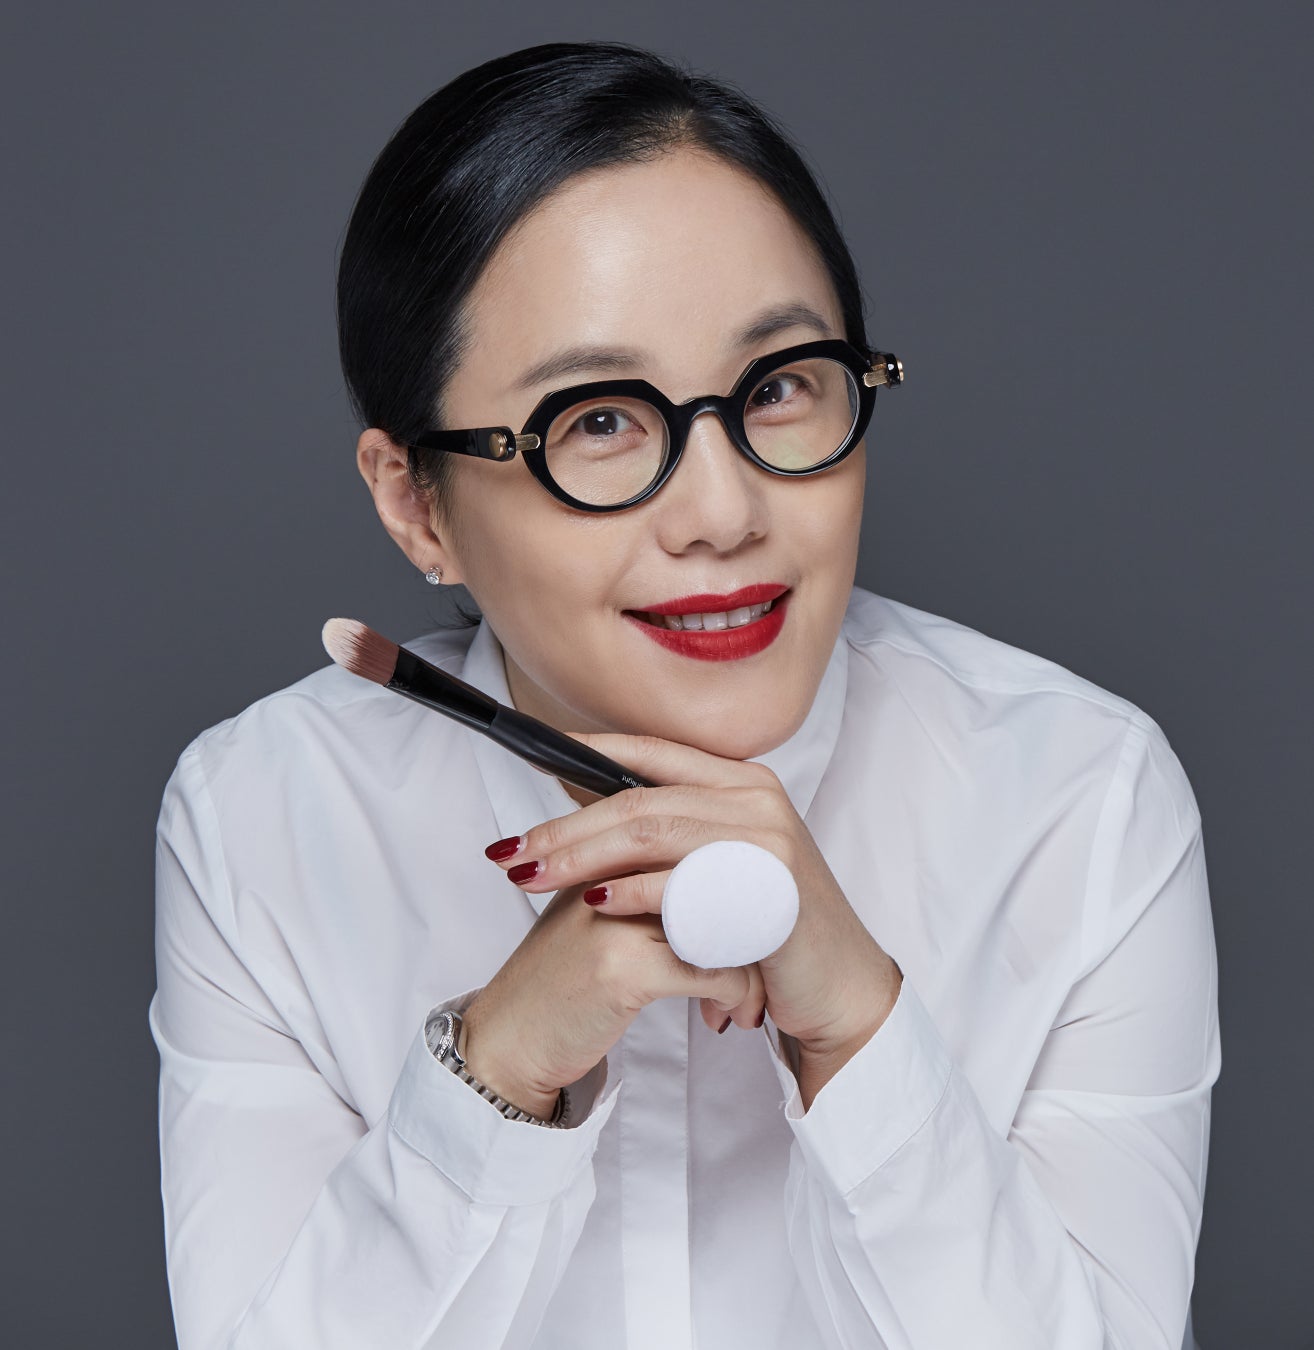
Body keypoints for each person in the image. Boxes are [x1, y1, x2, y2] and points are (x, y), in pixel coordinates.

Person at [149, 39, 1219, 1350]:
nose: (724, 510)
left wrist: (864, 1039)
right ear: (415, 503)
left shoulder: (1078, 800)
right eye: (598, 419)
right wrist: (493, 1072)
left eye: (778, 388)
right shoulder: (263, 816)